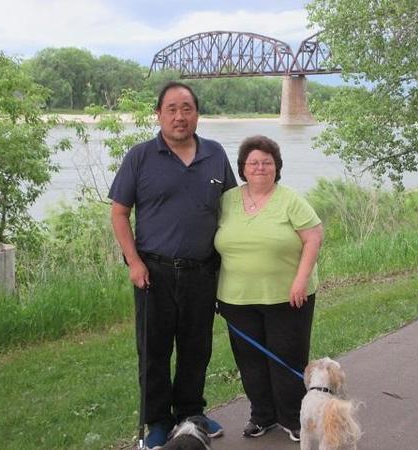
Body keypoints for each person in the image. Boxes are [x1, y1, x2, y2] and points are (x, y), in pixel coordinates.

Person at [109, 81, 237, 449]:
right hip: (154, 272)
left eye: (187, 108)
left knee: (197, 347)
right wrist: (133, 262)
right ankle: (159, 422)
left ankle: (190, 412)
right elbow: (119, 213)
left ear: (197, 113)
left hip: (202, 271)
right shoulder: (140, 157)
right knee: (154, 350)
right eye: (172, 109)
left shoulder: (214, 155)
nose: (180, 116)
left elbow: (229, 209)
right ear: (159, 114)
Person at [214, 135, 323, 443]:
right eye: (253, 163)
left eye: (267, 162)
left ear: (277, 168)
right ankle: (263, 416)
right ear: (243, 168)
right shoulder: (227, 201)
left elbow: (313, 237)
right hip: (236, 299)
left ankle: (293, 418)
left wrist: (300, 280)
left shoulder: (289, 199)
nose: (260, 167)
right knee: (249, 361)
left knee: (286, 359)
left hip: (287, 296)